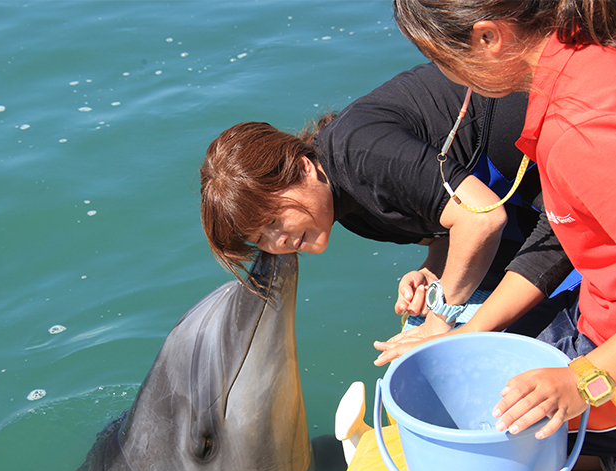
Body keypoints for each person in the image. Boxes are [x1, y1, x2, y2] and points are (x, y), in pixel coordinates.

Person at [376, 0, 616, 471]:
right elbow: (564, 227)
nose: (448, 77)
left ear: (490, 37)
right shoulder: (599, 52)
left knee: (491, 439)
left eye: (443, 58)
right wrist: (465, 331)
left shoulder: (586, 128)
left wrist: (583, 383)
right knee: (486, 370)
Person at [200, 62, 560, 339]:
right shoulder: (350, 211)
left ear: (303, 168)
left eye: (274, 220)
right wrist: (430, 272)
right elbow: (446, 232)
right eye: (261, 238)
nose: (279, 241)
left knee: (444, 336)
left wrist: (439, 319)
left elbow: (481, 220)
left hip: (557, 141)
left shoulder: (357, 153)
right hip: (528, 200)